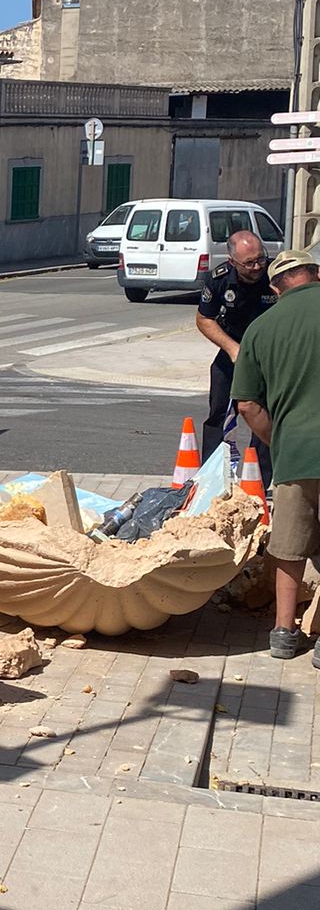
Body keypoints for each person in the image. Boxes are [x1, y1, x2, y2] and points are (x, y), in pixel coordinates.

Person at [230, 248, 320, 658]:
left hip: (294, 452)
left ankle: (284, 634)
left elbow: (246, 405)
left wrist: (278, 439)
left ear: (274, 288)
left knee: (289, 545)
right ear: (315, 274)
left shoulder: (260, 329)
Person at [196, 229, 272, 476]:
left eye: (260, 258)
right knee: (219, 412)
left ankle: (259, 477)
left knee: (265, 413)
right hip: (233, 351)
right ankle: (212, 475)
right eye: (249, 263)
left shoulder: (276, 275)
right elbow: (204, 319)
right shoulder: (218, 279)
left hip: (268, 355)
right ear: (232, 262)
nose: (257, 266)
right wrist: (232, 349)